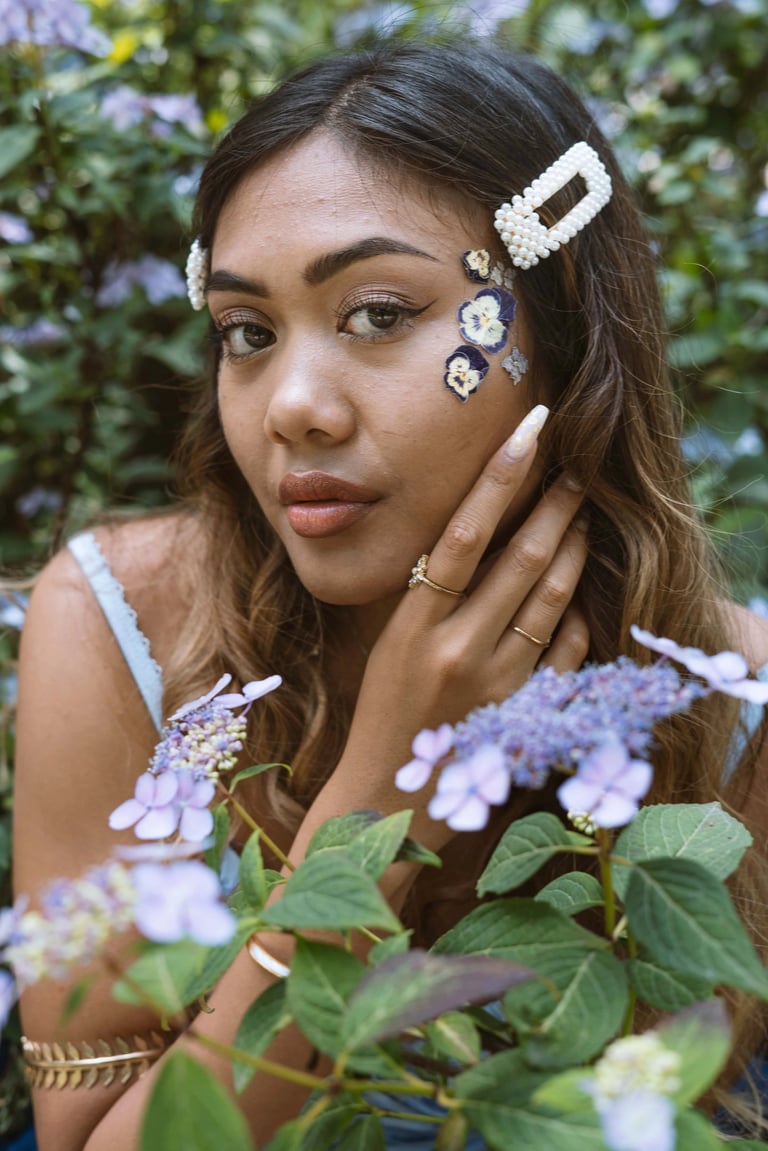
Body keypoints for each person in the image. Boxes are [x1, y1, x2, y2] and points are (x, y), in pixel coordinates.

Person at [11, 37, 768, 1151]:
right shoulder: (124, 625)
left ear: (561, 325)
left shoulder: (739, 714)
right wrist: (381, 794)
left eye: (377, 312)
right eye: (247, 334)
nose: (293, 407)